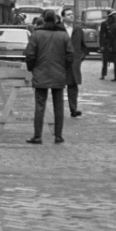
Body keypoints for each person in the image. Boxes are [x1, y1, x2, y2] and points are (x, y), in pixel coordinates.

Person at [24, 10, 74, 145]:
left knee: (40, 105)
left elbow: (29, 55)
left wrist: (32, 68)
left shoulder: (36, 34)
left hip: (40, 73)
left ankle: (37, 136)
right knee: (59, 106)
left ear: (44, 20)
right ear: (56, 20)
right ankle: (58, 136)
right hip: (58, 74)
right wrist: (64, 68)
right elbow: (70, 55)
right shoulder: (63, 35)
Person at [62, 8, 85, 117]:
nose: (71, 16)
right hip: (60, 62)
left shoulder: (78, 30)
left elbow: (83, 46)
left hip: (74, 63)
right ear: (63, 17)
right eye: (68, 14)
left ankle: (73, 109)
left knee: (73, 86)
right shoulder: (59, 29)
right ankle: (58, 110)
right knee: (58, 86)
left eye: (72, 14)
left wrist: (80, 58)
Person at [99, 12, 115, 80]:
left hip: (114, 44)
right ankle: (103, 74)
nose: (114, 17)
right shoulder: (104, 24)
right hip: (106, 44)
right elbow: (101, 35)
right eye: (113, 15)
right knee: (105, 60)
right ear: (110, 16)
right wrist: (101, 45)